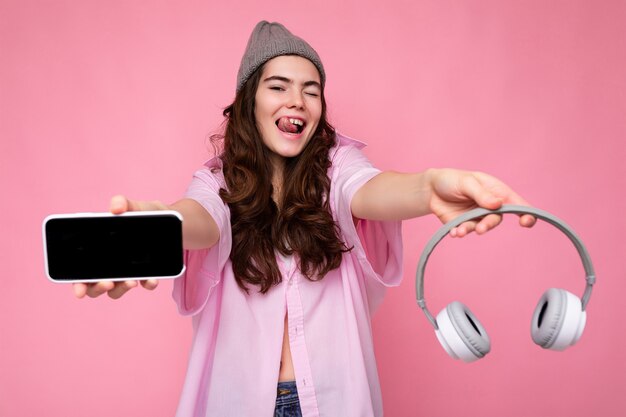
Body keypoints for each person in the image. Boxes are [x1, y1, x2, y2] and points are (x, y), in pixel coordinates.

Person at [73, 21, 535, 417]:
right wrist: (156, 221)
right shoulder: (214, 184)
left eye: (311, 91)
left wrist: (429, 186)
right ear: (249, 102)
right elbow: (200, 218)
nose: (297, 100)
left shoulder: (339, 170)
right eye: (279, 87)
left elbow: (372, 190)